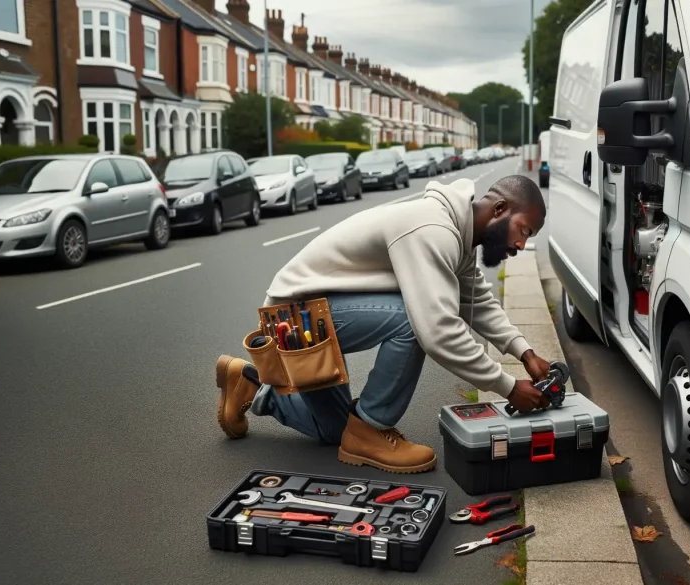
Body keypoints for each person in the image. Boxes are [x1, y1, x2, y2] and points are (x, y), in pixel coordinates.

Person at [214, 175, 553, 474]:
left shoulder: (461, 241)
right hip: (296, 316)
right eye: (524, 230)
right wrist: (507, 386)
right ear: (500, 209)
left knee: (334, 431)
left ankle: (250, 385)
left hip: (317, 313)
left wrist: (525, 352)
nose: (522, 245)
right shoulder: (432, 229)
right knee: (414, 319)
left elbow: (476, 300)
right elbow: (437, 331)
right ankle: (372, 428)